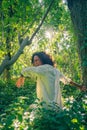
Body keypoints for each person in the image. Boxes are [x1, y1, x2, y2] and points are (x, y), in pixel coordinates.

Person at [16, 51, 86, 108]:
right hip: (56, 106)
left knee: (30, 109)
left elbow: (28, 70)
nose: (35, 63)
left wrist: (22, 76)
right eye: (34, 61)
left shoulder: (43, 68)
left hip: (46, 105)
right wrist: (79, 86)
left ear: (43, 59)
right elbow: (67, 80)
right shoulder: (55, 70)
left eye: (37, 60)